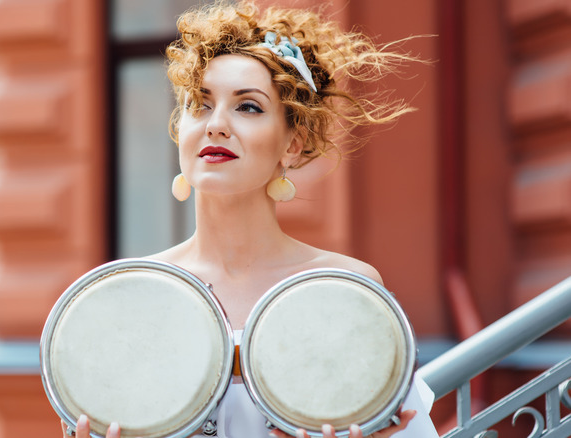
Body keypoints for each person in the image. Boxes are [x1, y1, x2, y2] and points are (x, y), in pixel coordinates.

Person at [64, 1, 438, 437]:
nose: (216, 125)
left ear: (293, 145)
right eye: (199, 105)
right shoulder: (129, 296)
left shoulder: (344, 290)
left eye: (248, 107)